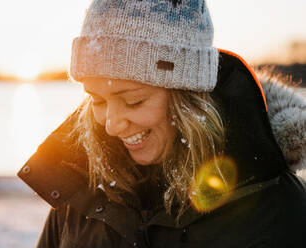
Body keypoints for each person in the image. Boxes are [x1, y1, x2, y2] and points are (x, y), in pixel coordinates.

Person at [18, 0, 306, 247]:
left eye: (133, 101)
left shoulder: (275, 207)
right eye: (98, 101)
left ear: (188, 98)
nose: (112, 126)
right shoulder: (80, 184)